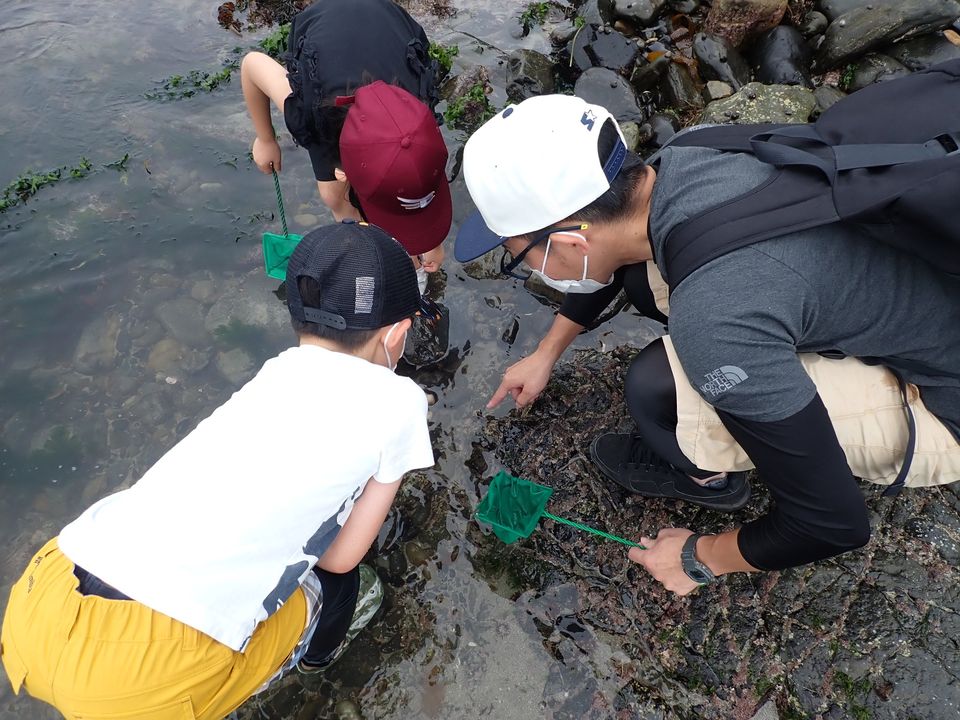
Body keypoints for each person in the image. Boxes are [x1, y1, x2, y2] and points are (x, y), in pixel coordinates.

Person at [455, 94, 960, 595]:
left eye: (518, 255)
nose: (529, 266)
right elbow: (613, 254)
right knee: (641, 278)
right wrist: (546, 353)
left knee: (656, 390)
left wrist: (698, 558)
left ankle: (710, 480)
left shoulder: (714, 323)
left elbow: (831, 524)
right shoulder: (693, 152)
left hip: (944, 397)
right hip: (913, 289)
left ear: (569, 243)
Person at [0, 222, 435, 718]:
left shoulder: (276, 371)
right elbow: (340, 558)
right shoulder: (400, 402)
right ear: (398, 333)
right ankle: (315, 657)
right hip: (143, 670)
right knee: (342, 587)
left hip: (46, 595)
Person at [241, 0, 450, 280]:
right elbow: (252, 64)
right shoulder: (311, 117)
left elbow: (421, 187)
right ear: (343, 173)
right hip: (322, 36)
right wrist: (265, 139)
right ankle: (358, 239)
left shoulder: (420, 119)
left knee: (404, 174)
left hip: (391, 27)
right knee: (334, 197)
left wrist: (429, 242)